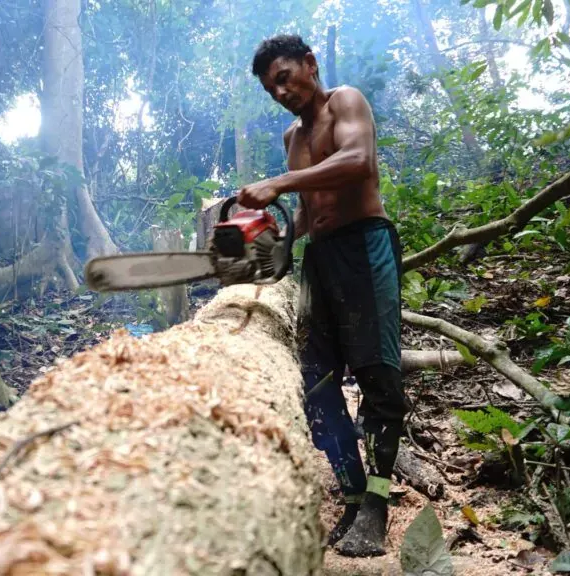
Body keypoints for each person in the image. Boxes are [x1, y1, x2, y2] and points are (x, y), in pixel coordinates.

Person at [236, 34, 409, 558]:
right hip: (323, 257)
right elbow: (309, 212)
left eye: (284, 77)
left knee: (378, 372)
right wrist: (274, 244)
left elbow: (357, 160)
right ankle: (353, 491)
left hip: (366, 245)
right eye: (271, 88)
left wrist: (279, 183)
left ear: (310, 65)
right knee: (315, 382)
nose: (280, 92)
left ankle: (378, 504)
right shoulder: (292, 136)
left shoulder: (346, 102)